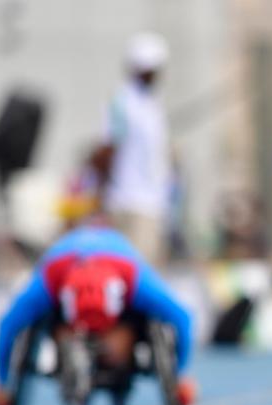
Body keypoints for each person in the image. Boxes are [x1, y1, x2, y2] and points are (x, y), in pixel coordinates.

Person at [0, 222, 196, 405]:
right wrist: (3, 382)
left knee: (140, 323)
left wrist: (179, 375)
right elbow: (8, 326)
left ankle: (120, 371)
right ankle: (71, 360)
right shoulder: (48, 282)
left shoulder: (136, 280)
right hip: (65, 282)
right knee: (42, 318)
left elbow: (182, 318)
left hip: (117, 269)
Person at [101, 31, 172, 266]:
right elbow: (110, 147)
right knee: (135, 272)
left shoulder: (152, 103)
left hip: (151, 201)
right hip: (130, 201)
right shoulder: (123, 102)